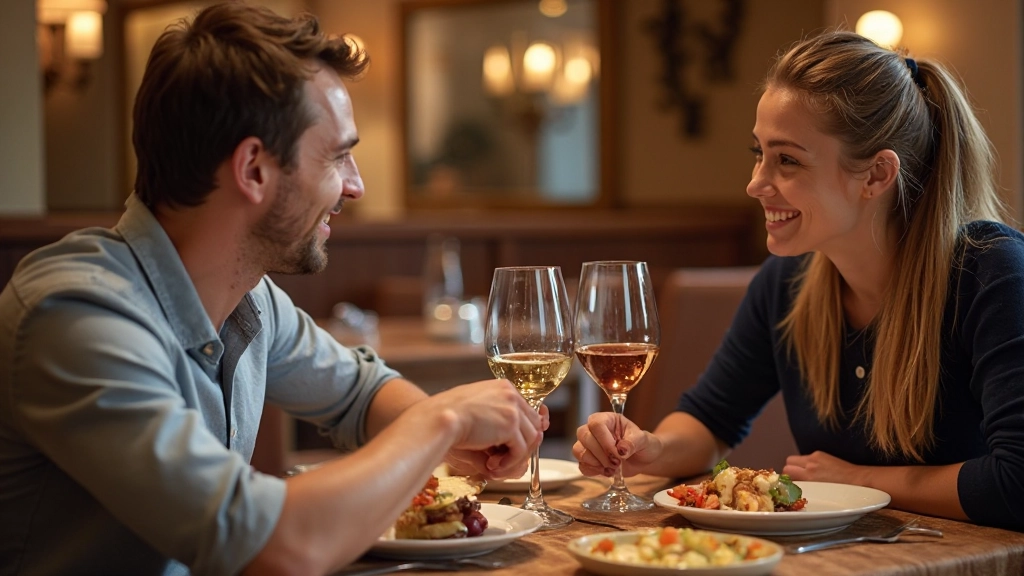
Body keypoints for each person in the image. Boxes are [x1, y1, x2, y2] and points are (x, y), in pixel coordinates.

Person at [0, 3, 545, 575]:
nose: (356, 186)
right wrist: (442, 422)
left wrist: (454, 438)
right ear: (253, 169)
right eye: (338, 156)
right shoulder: (76, 317)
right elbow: (272, 547)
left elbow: (361, 394)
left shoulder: (248, 298)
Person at [573, 30, 1024, 531]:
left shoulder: (992, 272)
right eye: (759, 152)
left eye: (787, 160)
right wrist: (649, 447)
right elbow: (710, 420)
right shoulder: (788, 281)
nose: (755, 183)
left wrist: (860, 479)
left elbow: (1017, 483)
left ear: (876, 175)